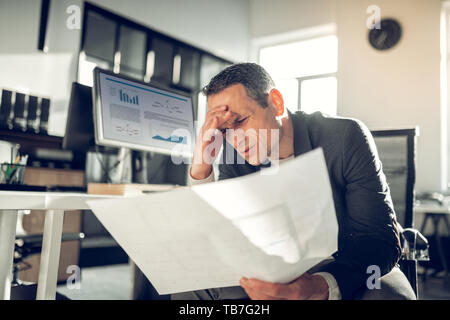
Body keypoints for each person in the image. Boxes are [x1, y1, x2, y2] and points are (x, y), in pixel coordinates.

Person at [172, 63, 416, 300]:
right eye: (224, 130)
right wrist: (202, 166)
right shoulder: (234, 154)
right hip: (274, 267)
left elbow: (378, 241)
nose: (235, 139)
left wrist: (322, 285)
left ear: (276, 103)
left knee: (390, 294)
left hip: (347, 263)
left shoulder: (344, 137)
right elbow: (223, 238)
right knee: (190, 287)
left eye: (239, 121)